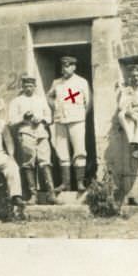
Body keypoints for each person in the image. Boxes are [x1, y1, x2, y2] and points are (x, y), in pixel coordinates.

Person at [7, 75, 57, 204]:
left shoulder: (41, 100)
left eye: (31, 86)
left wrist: (41, 119)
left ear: (35, 87)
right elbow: (11, 121)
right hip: (26, 133)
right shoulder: (16, 101)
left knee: (45, 162)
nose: (28, 88)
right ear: (22, 87)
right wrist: (23, 118)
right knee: (28, 163)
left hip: (41, 133)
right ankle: (33, 195)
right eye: (26, 86)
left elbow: (49, 118)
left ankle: (51, 194)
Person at [46, 55, 91, 192]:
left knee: (79, 150)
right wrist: (55, 107)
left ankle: (80, 183)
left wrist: (82, 115)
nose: (64, 69)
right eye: (63, 66)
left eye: (67, 66)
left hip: (77, 120)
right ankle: (65, 183)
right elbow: (49, 96)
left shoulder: (82, 82)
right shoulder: (56, 83)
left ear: (74, 67)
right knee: (62, 151)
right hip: (60, 119)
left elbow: (89, 102)